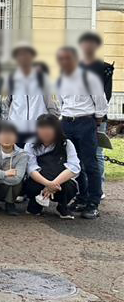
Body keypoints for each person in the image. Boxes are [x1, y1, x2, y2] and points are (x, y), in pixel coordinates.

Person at [55, 46, 107, 219]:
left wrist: (96, 120)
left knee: (90, 164)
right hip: (67, 122)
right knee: (73, 163)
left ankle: (93, 202)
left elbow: (100, 102)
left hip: (85, 121)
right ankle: (81, 197)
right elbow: (62, 101)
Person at [78, 31, 114, 199]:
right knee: (79, 156)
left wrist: (96, 116)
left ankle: (98, 189)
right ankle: (82, 190)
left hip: (97, 118)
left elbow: (106, 95)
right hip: (78, 119)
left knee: (97, 155)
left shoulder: (104, 68)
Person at [23, 114, 80, 219]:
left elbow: (74, 167)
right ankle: (35, 203)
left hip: (60, 182)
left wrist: (53, 184)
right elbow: (31, 168)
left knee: (69, 187)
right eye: (42, 128)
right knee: (31, 185)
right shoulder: (30, 144)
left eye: (49, 128)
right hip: (40, 180)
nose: (45, 132)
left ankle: (62, 205)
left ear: (56, 129)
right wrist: (48, 184)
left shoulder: (66, 144)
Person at [5, 43, 57, 146]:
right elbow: (6, 104)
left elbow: (51, 104)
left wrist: (51, 125)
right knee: (18, 160)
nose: (23, 58)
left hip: (38, 130)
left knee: (38, 160)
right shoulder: (11, 79)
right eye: (19, 55)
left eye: (26, 55)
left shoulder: (41, 78)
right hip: (17, 130)